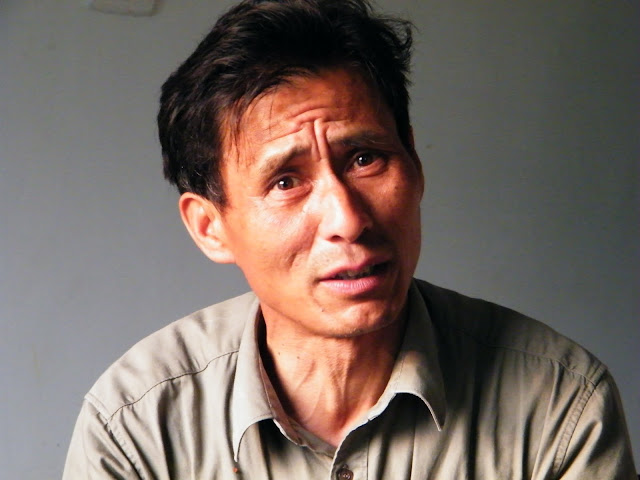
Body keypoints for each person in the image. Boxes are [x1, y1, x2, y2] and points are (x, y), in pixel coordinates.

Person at [63, 0, 636, 478]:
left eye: (364, 158)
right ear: (210, 227)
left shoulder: (559, 403)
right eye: (286, 181)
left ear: (414, 161)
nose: (348, 219)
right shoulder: (138, 425)